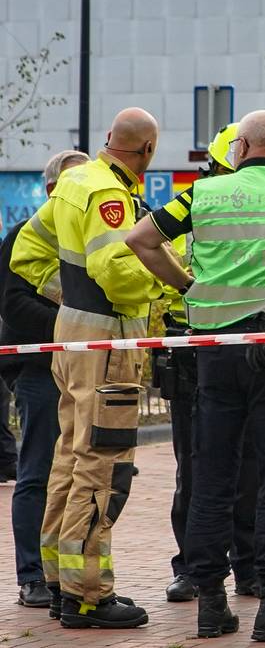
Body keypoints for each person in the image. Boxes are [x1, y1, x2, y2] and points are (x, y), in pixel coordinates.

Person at [126, 109, 265, 641]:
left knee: (212, 474)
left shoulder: (205, 195)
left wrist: (190, 285)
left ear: (238, 149)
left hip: (215, 353)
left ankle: (210, 604)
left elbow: (141, 240)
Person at [9, 109, 166, 628]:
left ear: (107, 141)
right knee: (103, 463)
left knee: (69, 459)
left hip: (72, 339)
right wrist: (163, 285)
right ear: (145, 151)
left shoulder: (74, 182)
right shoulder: (111, 196)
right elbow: (117, 272)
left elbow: (26, 256)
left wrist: (69, 299)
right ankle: (87, 595)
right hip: (109, 341)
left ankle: (58, 582)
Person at [158, 122, 261, 604]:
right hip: (192, 345)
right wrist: (186, 289)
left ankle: (245, 567)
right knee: (196, 470)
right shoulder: (198, 200)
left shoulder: (251, 203)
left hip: (227, 344)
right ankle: (195, 570)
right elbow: (150, 245)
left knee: (243, 470)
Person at [2, 149, 87, 609]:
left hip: (84, 368)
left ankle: (70, 576)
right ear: (52, 190)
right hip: (39, 371)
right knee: (38, 471)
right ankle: (32, 575)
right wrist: (73, 326)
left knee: (81, 474)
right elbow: (13, 305)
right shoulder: (23, 237)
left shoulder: (92, 237)